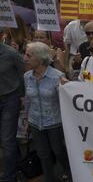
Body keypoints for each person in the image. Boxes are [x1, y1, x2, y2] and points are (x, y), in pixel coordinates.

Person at [23, 42, 71, 182]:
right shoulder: (27, 76)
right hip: (35, 122)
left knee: (59, 151)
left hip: (54, 123)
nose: (25, 58)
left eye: (28, 55)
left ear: (39, 58)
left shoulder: (57, 77)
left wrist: (67, 87)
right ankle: (49, 179)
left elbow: (65, 102)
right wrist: (27, 120)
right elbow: (27, 100)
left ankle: (69, 172)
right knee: (43, 154)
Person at [0, 33, 25, 182]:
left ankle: (8, 177)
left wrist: (22, 95)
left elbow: (23, 73)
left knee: (7, 139)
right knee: (7, 138)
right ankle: (18, 163)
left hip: (9, 99)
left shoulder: (11, 53)